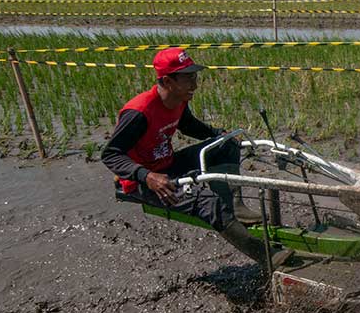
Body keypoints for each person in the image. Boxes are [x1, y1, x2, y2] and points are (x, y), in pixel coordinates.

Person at [102, 47, 270, 265]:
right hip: (145, 181)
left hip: (168, 164)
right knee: (208, 202)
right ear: (168, 81)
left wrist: (217, 134)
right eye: (188, 78)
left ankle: (234, 207)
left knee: (226, 145)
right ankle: (268, 257)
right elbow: (110, 155)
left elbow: (188, 125)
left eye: (195, 76)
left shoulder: (178, 101)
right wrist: (147, 176)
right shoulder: (139, 112)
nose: (195, 84)